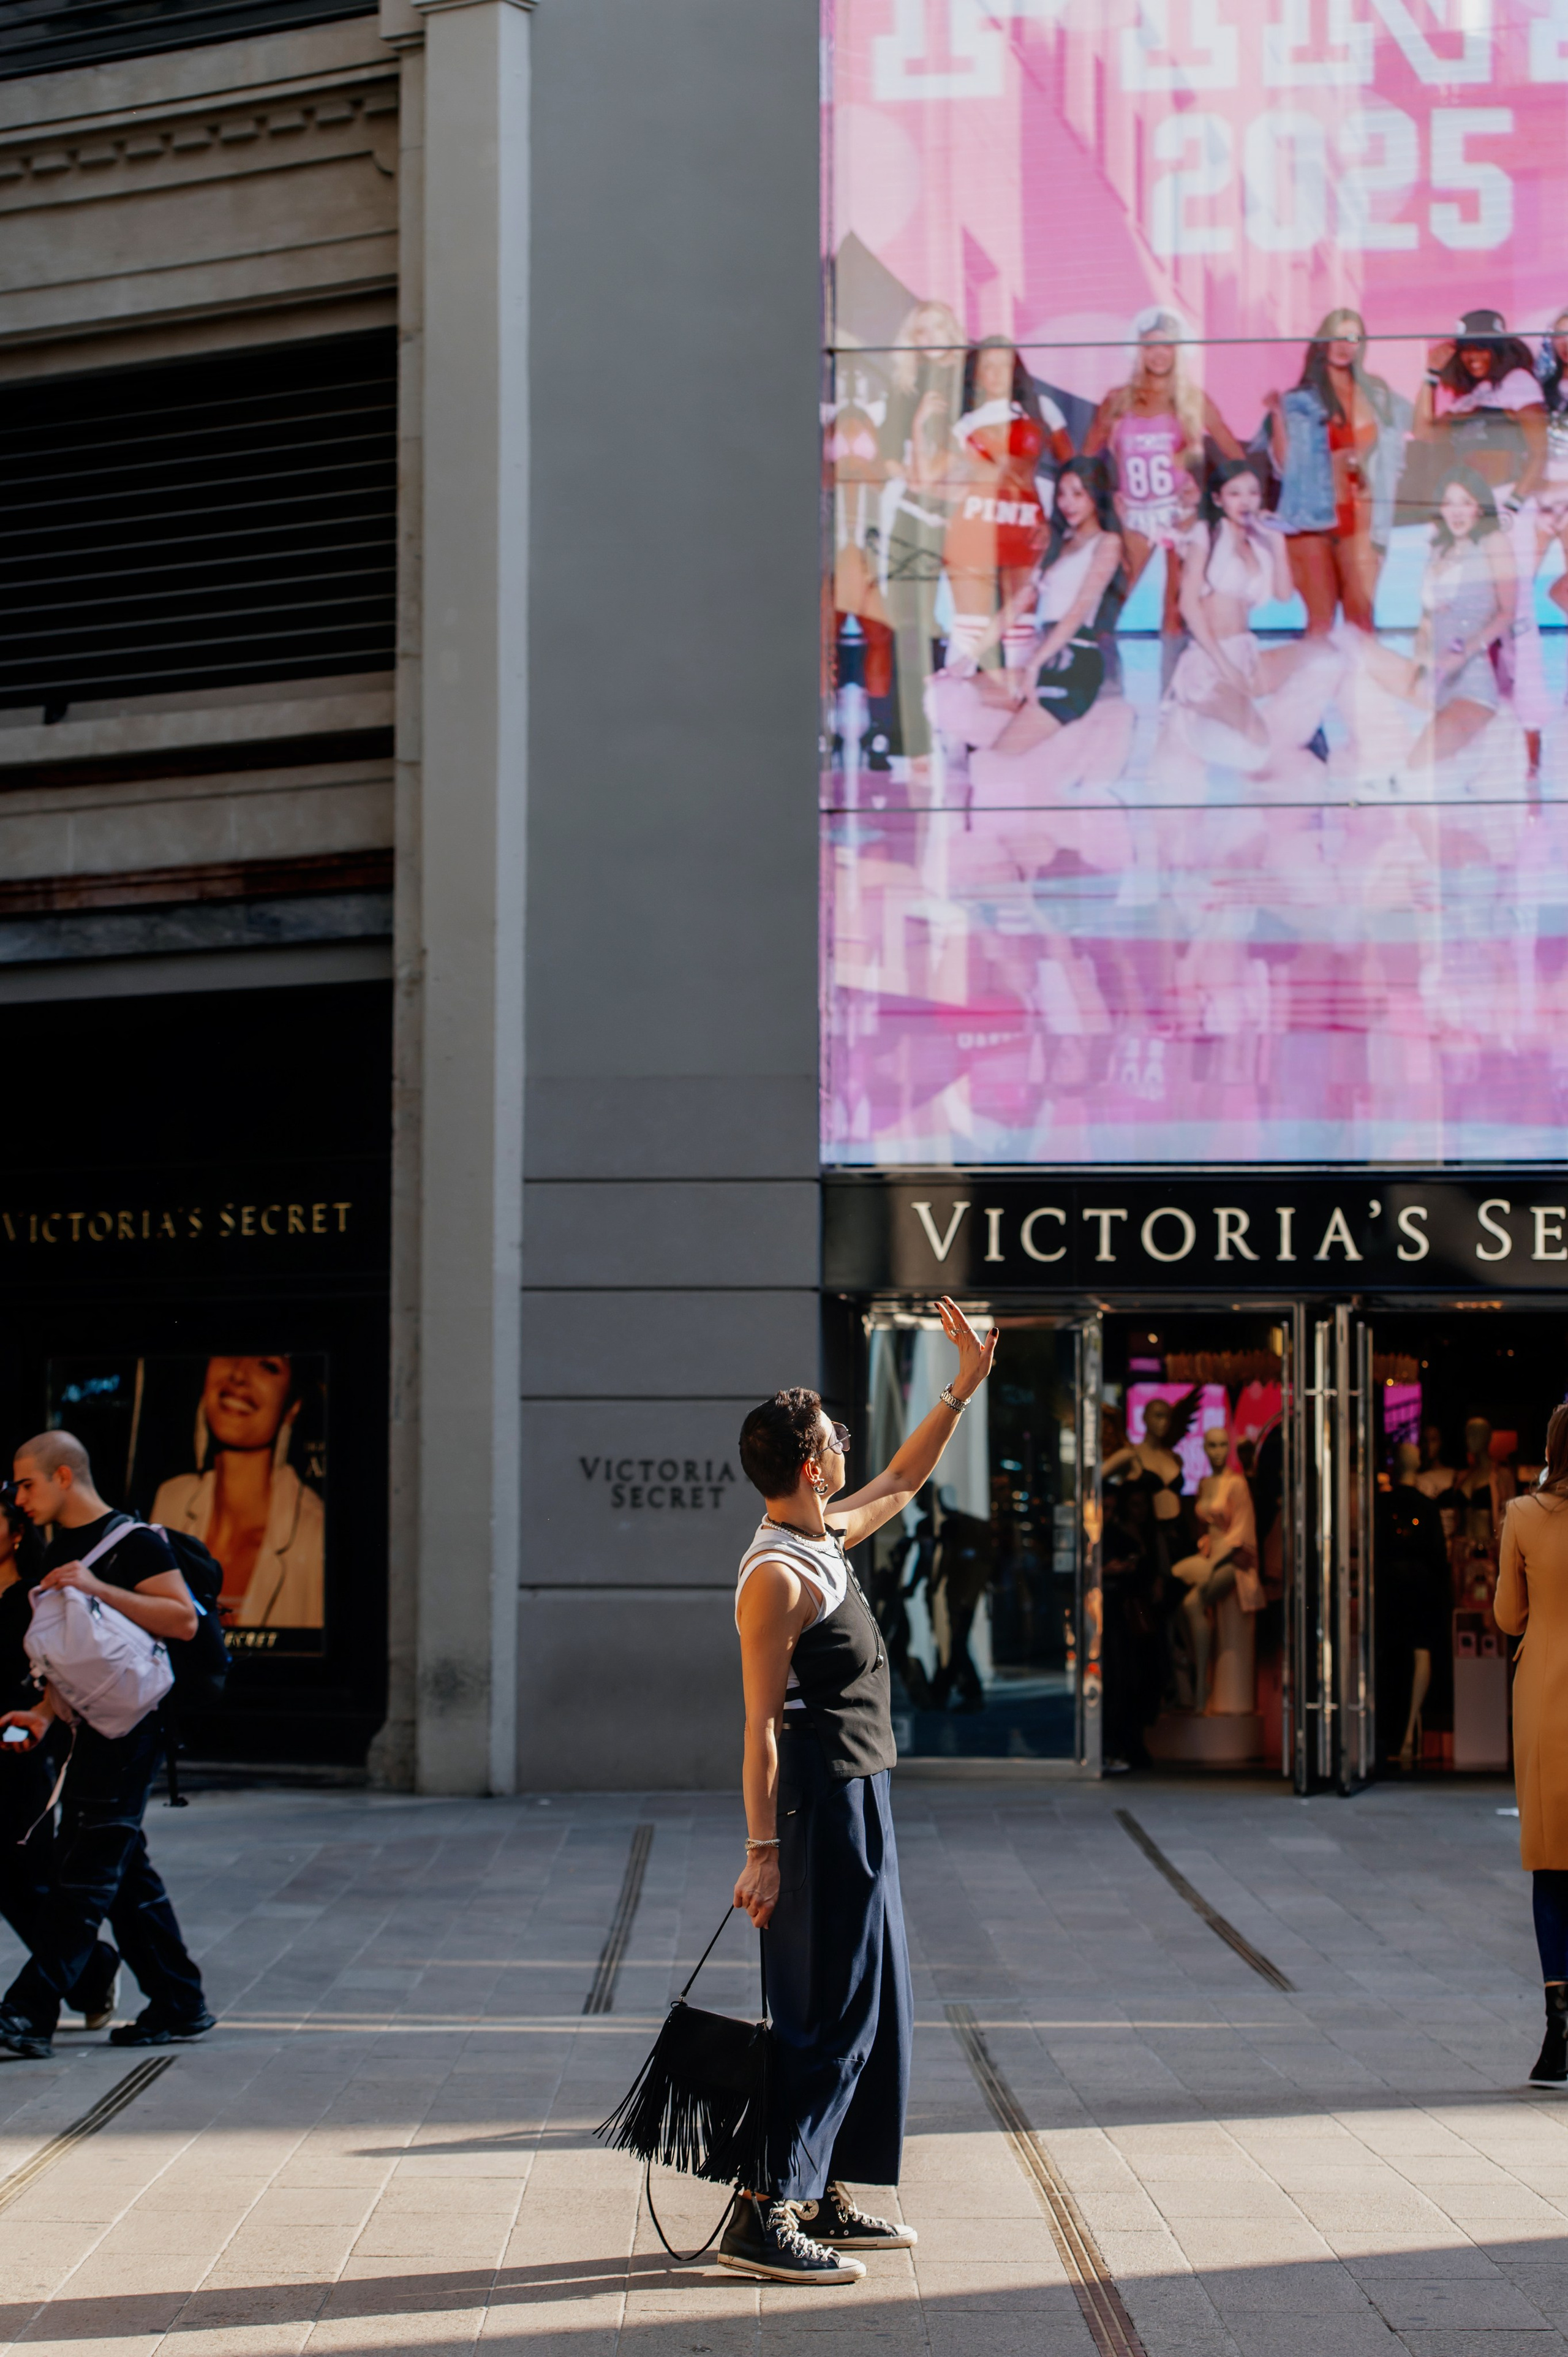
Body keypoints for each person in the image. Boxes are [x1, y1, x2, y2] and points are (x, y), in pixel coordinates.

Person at [719, 1297, 998, 2285]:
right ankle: (764, 2206)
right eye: (835, 1437)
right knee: (826, 2005)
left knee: (874, 1999)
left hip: (860, 1794)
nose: (848, 1445)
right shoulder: (777, 1577)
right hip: (817, 1805)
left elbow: (905, 1476)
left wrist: (963, 1385)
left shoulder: (825, 1533)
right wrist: (762, 1852)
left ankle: (824, 2184)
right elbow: (758, 1722)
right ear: (807, 1464)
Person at [0, 1431, 213, 2057]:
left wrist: (97, 1587)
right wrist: (43, 1712)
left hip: (136, 1728)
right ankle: (181, 2001)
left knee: (86, 1872)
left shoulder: (134, 1540)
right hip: (84, 1728)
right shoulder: (60, 1550)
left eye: (28, 1483)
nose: (20, 1496)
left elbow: (183, 1618)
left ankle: (26, 2014)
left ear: (65, 1475)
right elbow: (71, 1656)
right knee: (123, 1874)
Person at [0, 1492, 118, 2030]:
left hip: (19, 1746)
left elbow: (56, 1669)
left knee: (28, 1878)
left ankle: (93, 1970)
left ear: (16, 1532)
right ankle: (89, 1970)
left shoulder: (34, 1594)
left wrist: (38, 1717)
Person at [1155, 458, 1342, 782]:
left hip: (1247, 656)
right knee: (1251, 750)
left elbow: (1284, 595)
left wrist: (1277, 542)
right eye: (1235, 494)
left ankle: (1292, 733)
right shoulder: (1207, 534)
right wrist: (1224, 665)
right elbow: (1188, 605)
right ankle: (1188, 725)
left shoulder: (1256, 544)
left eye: (1253, 493)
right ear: (1217, 499)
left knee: (1328, 655)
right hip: (1213, 662)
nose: (1246, 502)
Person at [1494, 1404, 1568, 2084]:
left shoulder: (1521, 1513)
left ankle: (1558, 2034)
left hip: (1546, 1691)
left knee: (1552, 1866)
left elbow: (1507, 1615)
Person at [1084, 306, 1243, 606]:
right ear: (1139, 350)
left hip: (1179, 513)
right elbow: (1085, 462)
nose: (1159, 354)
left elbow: (1232, 453)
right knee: (1135, 602)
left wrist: (1220, 495)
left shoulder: (1192, 398)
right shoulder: (1117, 400)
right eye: (1151, 345)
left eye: (1168, 345)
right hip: (1134, 516)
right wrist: (1099, 505)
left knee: (1180, 603)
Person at [1357, 468, 1513, 773]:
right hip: (1434, 678)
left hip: (1472, 683)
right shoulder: (1440, 549)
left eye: (1464, 502)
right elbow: (1427, 620)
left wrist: (1464, 653)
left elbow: (1508, 612)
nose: (1456, 512)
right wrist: (1422, 664)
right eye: (1448, 503)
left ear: (1478, 508)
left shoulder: (1493, 542)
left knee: (1417, 768)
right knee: (1351, 650)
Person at [153, 1355, 324, 1629]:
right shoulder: (170, 1501)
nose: (239, 1375)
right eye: (229, 1352)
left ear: (293, 1405)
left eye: (268, 1365)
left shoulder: (316, 1536)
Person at [1265, 309, 1408, 637]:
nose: (1345, 346)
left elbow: (1416, 433)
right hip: (1311, 516)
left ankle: (1364, 687)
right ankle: (1317, 688)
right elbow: (1286, 467)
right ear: (1322, 341)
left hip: (1362, 516)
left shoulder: (1379, 394)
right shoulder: (1300, 400)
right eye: (1337, 336)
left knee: (1362, 618)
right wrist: (1277, 417)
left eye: (1354, 337)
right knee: (1321, 622)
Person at [941, 337, 1072, 672]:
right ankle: (949, 717)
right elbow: (947, 481)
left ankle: (1017, 714)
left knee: (1020, 628)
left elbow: (1073, 472)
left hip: (1026, 523)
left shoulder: (1042, 410)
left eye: (1004, 365)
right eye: (988, 367)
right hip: (974, 524)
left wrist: (1056, 523)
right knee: (968, 627)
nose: (997, 374)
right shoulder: (962, 421)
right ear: (977, 374)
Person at [1375, 1441, 1452, 1771]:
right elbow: (1438, 1555)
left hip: (1391, 1589)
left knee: (1393, 1656)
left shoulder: (1382, 1504)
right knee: (1419, 1653)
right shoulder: (1424, 1506)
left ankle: (1395, 1734)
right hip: (1419, 1588)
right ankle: (1405, 1733)